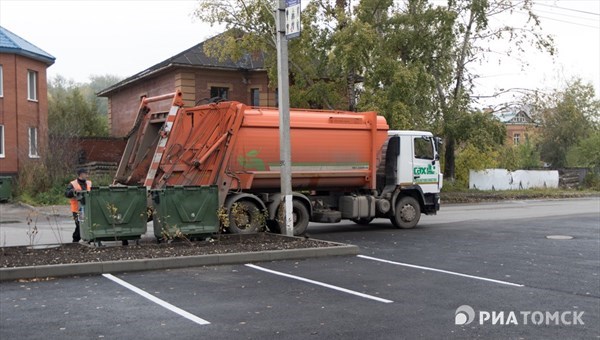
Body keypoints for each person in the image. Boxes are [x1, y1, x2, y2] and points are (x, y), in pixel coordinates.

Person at [65, 168, 92, 243]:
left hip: (88, 208)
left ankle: (86, 239)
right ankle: (76, 240)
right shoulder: (73, 184)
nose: (87, 175)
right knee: (80, 225)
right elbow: (67, 194)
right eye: (86, 173)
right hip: (78, 209)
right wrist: (73, 191)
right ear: (81, 174)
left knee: (86, 224)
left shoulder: (89, 183)